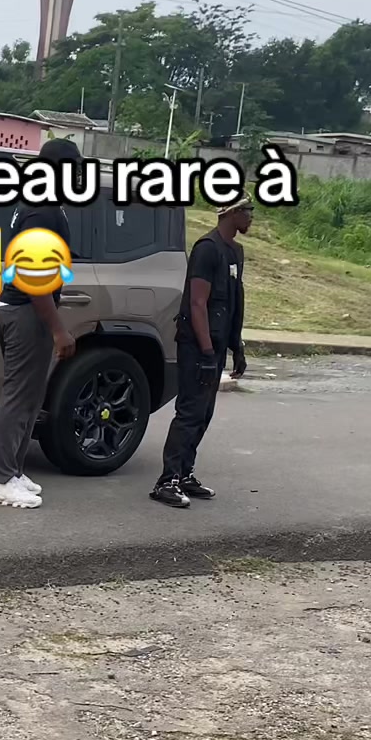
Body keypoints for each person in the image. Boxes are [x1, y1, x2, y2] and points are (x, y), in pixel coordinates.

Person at [0, 136, 80, 511]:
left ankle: (14, 471)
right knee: (18, 397)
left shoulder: (38, 202)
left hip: (24, 310)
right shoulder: (42, 209)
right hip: (26, 311)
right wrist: (58, 329)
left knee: (30, 397)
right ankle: (0, 481)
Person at [152, 197, 252, 509]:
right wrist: (207, 352)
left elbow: (234, 302)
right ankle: (166, 481)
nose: (251, 217)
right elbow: (197, 303)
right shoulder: (207, 249)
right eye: (248, 211)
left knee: (204, 413)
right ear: (232, 213)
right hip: (197, 345)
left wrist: (237, 346)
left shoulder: (235, 251)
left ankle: (184, 474)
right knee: (190, 412)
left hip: (217, 344)